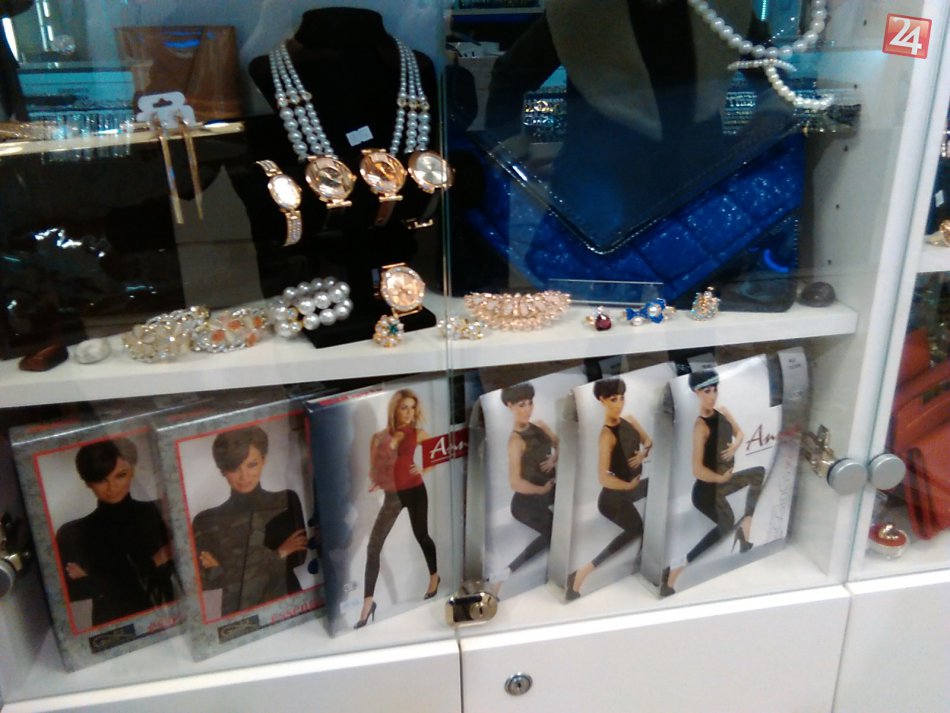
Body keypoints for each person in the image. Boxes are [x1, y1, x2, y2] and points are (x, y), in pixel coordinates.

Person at [661, 370, 765, 595]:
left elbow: (740, 433)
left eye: (715, 390)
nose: (712, 396)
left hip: (722, 483)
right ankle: (675, 569)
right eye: (707, 391)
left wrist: (735, 446)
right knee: (726, 525)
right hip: (706, 492)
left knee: (758, 473)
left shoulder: (723, 412)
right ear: (696, 393)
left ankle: (745, 529)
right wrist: (720, 478)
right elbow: (697, 470)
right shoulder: (700, 427)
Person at [56, 438, 175, 627]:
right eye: (101, 480)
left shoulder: (160, 512)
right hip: (113, 627)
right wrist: (156, 560)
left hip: (167, 618)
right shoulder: (73, 533)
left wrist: (96, 577)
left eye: (120, 475)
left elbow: (183, 568)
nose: (112, 488)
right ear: (87, 483)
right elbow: (72, 592)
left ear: (132, 471)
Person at [192, 425, 307, 617]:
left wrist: (226, 569)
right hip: (240, 614)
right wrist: (279, 553)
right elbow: (206, 581)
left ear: (263, 460)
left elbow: (298, 558)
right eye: (234, 468)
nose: (244, 476)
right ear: (222, 470)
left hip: (288, 602)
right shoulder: (205, 521)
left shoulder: (286, 501)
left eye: (251, 464)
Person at [356, 389, 440, 629]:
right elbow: (375, 469)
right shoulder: (379, 437)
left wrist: (423, 469)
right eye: (404, 408)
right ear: (395, 409)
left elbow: (438, 450)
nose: (409, 413)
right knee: (374, 547)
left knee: (422, 536)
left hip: (416, 491)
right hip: (393, 496)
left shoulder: (417, 433)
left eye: (412, 408)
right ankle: (367, 604)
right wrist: (377, 479)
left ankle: (434, 577)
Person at [566, 377, 652, 599]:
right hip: (612, 499)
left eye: (622, 398)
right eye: (614, 399)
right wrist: (627, 484)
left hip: (631, 490)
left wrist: (643, 454)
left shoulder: (630, 420)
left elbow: (648, 441)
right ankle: (581, 573)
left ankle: (645, 561)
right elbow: (603, 478)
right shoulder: (606, 436)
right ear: (602, 400)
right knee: (636, 529)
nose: (619, 404)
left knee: (656, 487)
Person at [493, 382, 558, 591]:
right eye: (521, 405)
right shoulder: (515, 441)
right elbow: (515, 483)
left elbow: (558, 443)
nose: (527, 409)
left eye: (530, 403)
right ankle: (505, 573)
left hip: (548, 491)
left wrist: (554, 459)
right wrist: (542, 490)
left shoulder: (540, 425)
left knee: (565, 524)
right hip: (526, 503)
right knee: (553, 533)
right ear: (509, 406)